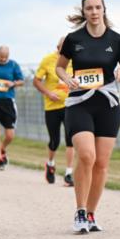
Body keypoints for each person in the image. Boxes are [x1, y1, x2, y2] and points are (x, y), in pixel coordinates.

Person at [55, 0, 120, 234]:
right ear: (84, 11)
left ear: (104, 9)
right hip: (79, 103)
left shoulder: (117, 40)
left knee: (101, 163)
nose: (94, 12)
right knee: (87, 155)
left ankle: (91, 214)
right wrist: (66, 78)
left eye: (98, 7)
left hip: (108, 105)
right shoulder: (73, 39)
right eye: (89, 8)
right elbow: (60, 67)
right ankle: (80, 211)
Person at [33, 36, 74, 186]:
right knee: (54, 140)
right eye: (63, 47)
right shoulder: (48, 60)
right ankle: (50, 164)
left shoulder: (75, 60)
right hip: (52, 107)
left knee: (71, 140)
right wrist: (48, 93)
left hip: (70, 105)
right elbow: (36, 81)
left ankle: (69, 173)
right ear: (58, 48)